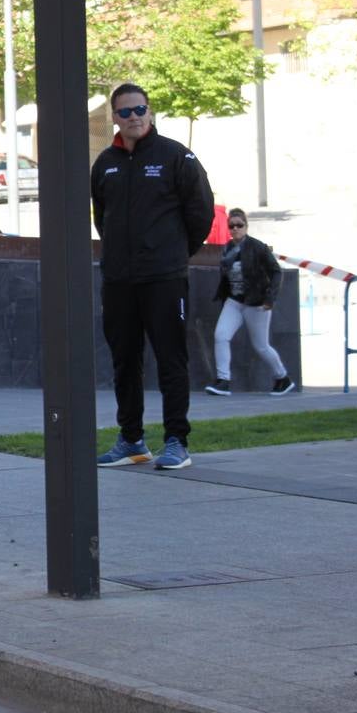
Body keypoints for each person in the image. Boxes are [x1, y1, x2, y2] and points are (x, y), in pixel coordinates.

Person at [91, 82, 214, 471]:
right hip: (119, 281)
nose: (134, 118)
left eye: (140, 109)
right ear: (114, 117)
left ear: (150, 111)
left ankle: (177, 440)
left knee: (170, 359)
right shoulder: (105, 163)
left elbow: (202, 214)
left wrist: (174, 252)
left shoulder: (176, 156)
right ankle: (131, 440)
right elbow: (102, 219)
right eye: (125, 112)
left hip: (164, 278)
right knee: (124, 360)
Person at [204, 209, 295, 396]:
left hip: (256, 303)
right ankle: (223, 380)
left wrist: (270, 299)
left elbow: (276, 272)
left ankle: (283, 378)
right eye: (232, 226)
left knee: (261, 346)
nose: (235, 229)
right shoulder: (228, 248)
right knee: (220, 335)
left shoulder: (257, 247)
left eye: (239, 225)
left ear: (246, 226)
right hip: (234, 301)